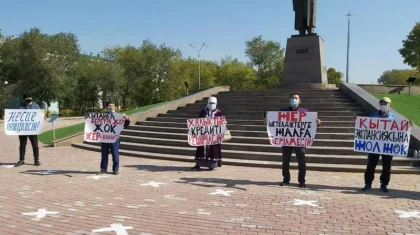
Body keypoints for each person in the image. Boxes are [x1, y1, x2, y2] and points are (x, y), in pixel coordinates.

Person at [264, 93, 321, 188]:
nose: (294, 100)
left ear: (299, 101)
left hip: (300, 141)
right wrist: (267, 119)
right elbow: (275, 122)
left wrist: (317, 123)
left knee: (302, 162)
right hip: (287, 140)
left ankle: (302, 181)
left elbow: (310, 124)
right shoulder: (283, 111)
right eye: (292, 98)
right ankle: (286, 179)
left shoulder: (305, 112)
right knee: (285, 161)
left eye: (296, 98)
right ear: (289, 100)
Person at [361, 97, 413, 193]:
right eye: (382, 103)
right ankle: (368, 183)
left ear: (390, 105)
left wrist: (408, 125)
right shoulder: (373, 116)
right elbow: (365, 127)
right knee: (371, 165)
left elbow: (399, 130)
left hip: (388, 147)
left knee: (387, 166)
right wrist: (357, 121)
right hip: (374, 145)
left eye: (385, 103)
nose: (383, 105)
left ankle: (384, 184)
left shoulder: (394, 118)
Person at [191, 97, 223, 171]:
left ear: (216, 103)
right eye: (210, 103)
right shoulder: (203, 111)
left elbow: (221, 123)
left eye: (213, 103)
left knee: (213, 150)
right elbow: (198, 121)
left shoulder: (218, 112)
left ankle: (211, 165)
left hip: (213, 136)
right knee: (201, 150)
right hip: (203, 134)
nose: (211, 104)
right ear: (208, 103)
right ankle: (198, 164)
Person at [99, 101, 130, 175]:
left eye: (112, 106)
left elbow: (126, 125)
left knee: (115, 154)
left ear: (115, 107)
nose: (111, 107)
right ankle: (103, 169)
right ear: (106, 107)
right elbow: (95, 124)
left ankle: (115, 169)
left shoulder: (119, 116)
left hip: (115, 138)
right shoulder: (102, 116)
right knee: (104, 154)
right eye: (109, 106)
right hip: (105, 138)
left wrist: (127, 119)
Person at [15, 94, 41, 167]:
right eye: (27, 98)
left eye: (30, 98)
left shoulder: (36, 106)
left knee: (35, 145)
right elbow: (17, 116)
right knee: (22, 145)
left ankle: (36, 160)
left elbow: (40, 115)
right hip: (23, 129)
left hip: (32, 129)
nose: (28, 99)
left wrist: (42, 116)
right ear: (24, 99)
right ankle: (21, 159)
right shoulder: (21, 106)